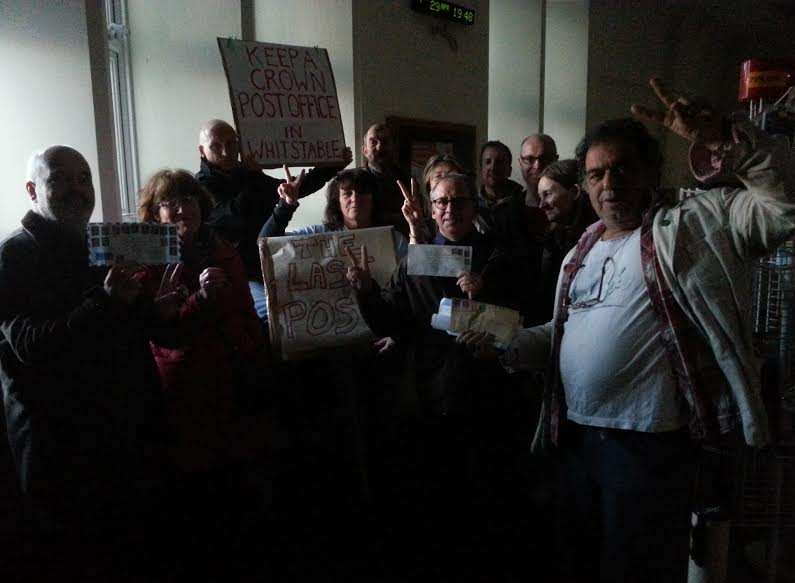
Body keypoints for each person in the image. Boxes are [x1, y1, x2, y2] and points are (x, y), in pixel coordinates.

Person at [461, 78, 795, 583]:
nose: (608, 183)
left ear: (651, 171)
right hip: (574, 439)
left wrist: (725, 139)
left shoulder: (701, 222)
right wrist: (505, 343)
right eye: (596, 174)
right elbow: (560, 333)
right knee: (578, 565)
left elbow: (782, 205)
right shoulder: (582, 249)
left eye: (622, 169)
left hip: (648, 449)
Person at [0, 146, 167, 577]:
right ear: (32, 189)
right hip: (63, 452)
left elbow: (127, 329)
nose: (77, 189)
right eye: (61, 179)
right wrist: (106, 300)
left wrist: (159, 309)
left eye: (84, 178)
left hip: (122, 438)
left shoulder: (101, 244)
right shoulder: (14, 255)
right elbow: (31, 347)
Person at [348, 172, 521, 576]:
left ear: (473, 206)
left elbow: (522, 317)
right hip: (429, 393)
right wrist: (367, 292)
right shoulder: (415, 258)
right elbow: (396, 322)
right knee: (433, 494)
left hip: (485, 394)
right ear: (431, 208)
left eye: (459, 201)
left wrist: (486, 289)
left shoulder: (498, 255)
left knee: (483, 496)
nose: (450, 210)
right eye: (442, 202)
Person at [138, 168, 270, 578]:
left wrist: (259, 356)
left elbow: (247, 310)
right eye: (170, 202)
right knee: (196, 486)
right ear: (155, 213)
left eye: (189, 199)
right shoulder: (148, 257)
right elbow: (161, 331)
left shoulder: (220, 247)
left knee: (235, 478)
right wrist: (200, 299)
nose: (182, 208)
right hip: (185, 385)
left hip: (232, 374)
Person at [195, 119, 351, 319]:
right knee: (273, 316)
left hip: (267, 261)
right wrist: (251, 176)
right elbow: (235, 214)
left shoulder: (248, 174)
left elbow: (293, 189)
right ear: (202, 150)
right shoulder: (201, 186)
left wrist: (333, 166)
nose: (226, 152)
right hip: (235, 274)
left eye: (231, 144)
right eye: (216, 146)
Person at [477, 140, 545, 324]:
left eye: (499, 162)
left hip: (518, 297)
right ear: (481, 168)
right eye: (488, 162)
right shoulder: (470, 208)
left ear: (509, 168)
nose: (493, 167)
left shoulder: (526, 204)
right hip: (480, 296)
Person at [534, 159, 596, 324]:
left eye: (547, 194)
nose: (541, 205)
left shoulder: (596, 239)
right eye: (540, 196)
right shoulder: (551, 238)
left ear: (575, 191)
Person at [361, 123, 410, 235]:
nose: (380, 147)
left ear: (393, 147)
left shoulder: (407, 180)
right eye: (374, 142)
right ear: (364, 150)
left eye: (385, 141)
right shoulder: (355, 182)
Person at [518, 133, 559, 206]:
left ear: (556, 161)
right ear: (520, 162)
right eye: (529, 159)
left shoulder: (572, 207)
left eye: (544, 158)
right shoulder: (508, 209)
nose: (537, 166)